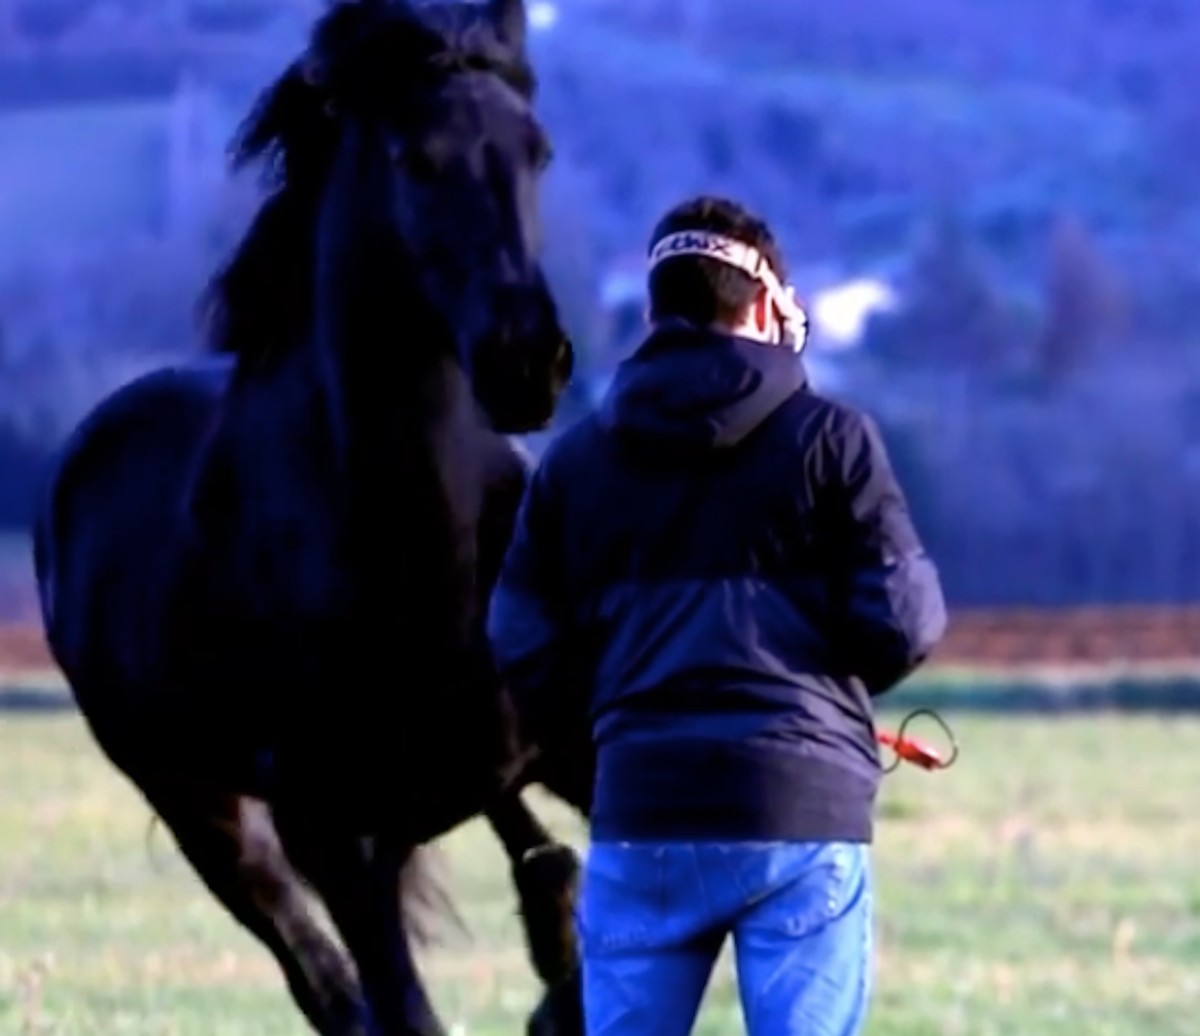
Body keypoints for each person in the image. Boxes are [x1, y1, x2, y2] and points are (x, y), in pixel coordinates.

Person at [487, 195, 948, 1036]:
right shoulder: (833, 440)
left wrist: (609, 724)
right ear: (769, 305)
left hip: (642, 805)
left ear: (658, 310)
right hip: (801, 810)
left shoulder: (577, 462)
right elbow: (904, 625)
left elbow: (518, 637)